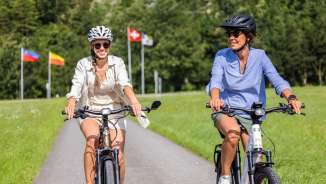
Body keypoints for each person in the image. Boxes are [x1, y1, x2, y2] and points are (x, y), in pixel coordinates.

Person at [206, 15, 302, 184]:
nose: (231, 38)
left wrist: (291, 97)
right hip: (226, 108)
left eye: (236, 33)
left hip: (251, 113)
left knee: (255, 159)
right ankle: (225, 176)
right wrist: (215, 98)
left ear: (248, 36)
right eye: (228, 34)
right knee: (233, 134)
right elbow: (216, 80)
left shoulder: (260, 56)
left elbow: (276, 79)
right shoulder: (221, 56)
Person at [64, 25, 141, 184]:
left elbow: (125, 84)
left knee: (118, 153)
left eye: (105, 44)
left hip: (115, 111)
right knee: (92, 142)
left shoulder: (117, 63)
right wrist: (71, 102)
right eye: (97, 44)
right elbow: (76, 85)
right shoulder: (83, 64)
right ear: (92, 46)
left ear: (109, 45)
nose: (101, 48)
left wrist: (134, 101)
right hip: (90, 112)